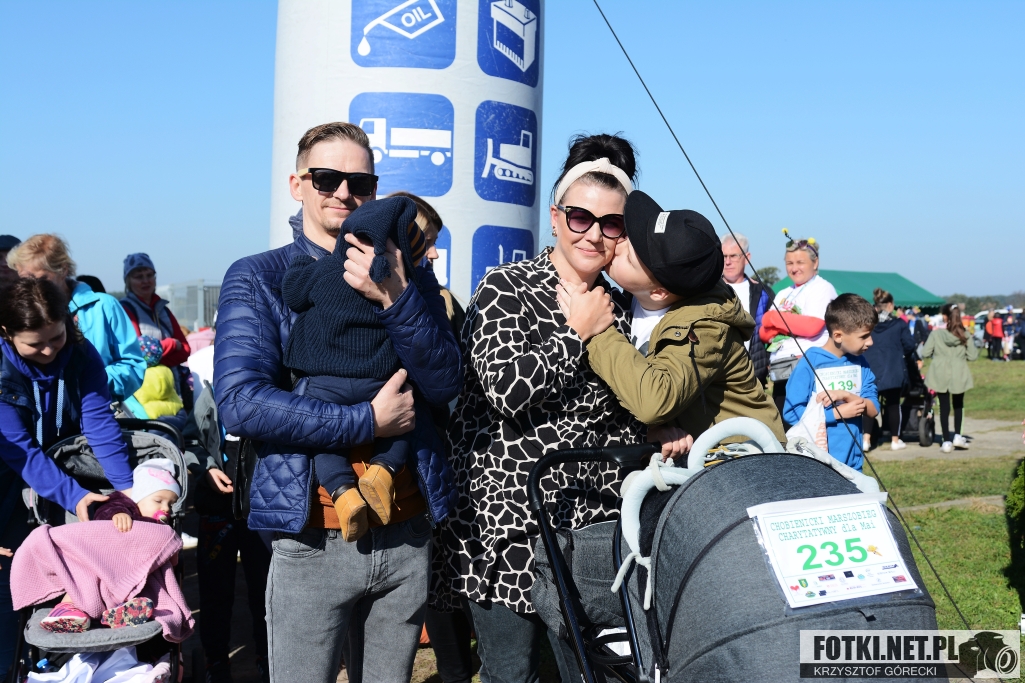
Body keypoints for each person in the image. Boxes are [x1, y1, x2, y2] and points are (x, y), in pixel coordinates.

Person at [215, 121, 461, 683]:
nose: (344, 193)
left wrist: (396, 297)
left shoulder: (408, 272)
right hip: (312, 535)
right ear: (297, 184)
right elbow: (241, 403)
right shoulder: (261, 277)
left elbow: (446, 383)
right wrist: (366, 420)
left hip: (405, 530)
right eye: (327, 178)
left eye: (361, 182)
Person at [438, 134, 688, 683]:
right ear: (556, 219)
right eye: (580, 217)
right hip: (509, 522)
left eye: (611, 223)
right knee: (513, 672)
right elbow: (505, 390)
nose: (593, 234)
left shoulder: (619, 305)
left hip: (591, 522)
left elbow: (611, 409)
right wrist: (575, 332)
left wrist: (653, 427)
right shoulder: (507, 287)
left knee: (591, 668)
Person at [570, 192, 786, 447]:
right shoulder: (637, 297)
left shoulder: (706, 326)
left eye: (629, 258)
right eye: (628, 235)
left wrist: (598, 331)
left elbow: (653, 402)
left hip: (743, 457)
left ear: (659, 292)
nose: (618, 245)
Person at [281, 195, 437, 540]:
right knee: (402, 424)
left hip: (326, 382)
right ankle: (383, 471)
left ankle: (343, 494)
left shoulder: (326, 269)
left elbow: (293, 293)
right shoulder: (396, 285)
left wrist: (300, 264)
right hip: (378, 380)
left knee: (324, 443)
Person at [0, 278, 136, 674]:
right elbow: (20, 450)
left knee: (66, 576)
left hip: (64, 466)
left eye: (55, 338)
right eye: (35, 344)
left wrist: (125, 490)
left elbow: (98, 423)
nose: (48, 351)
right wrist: (74, 496)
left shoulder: (80, 352)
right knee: (10, 588)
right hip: (8, 479)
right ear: (6, 333)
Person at [385, 191, 473, 683]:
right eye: (427, 241)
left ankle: (456, 668)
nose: (435, 253)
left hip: (437, 452)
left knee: (439, 566)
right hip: (390, 461)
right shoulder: (358, 294)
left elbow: (452, 378)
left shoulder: (441, 298)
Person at [39, 459, 180, 633]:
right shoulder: (123, 505)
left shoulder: (160, 529)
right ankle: (66, 608)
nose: (166, 508)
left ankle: (118, 612)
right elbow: (106, 509)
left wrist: (170, 545)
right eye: (158, 501)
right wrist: (117, 513)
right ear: (138, 496)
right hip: (101, 561)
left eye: (171, 504)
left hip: (130, 574)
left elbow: (171, 560)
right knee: (86, 578)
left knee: (142, 585)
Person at [7, 234, 145, 404]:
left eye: (41, 279)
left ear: (63, 270)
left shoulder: (104, 306)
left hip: (101, 406)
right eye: (26, 279)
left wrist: (91, 383)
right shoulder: (18, 313)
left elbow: (133, 366)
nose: (34, 285)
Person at [783, 294, 880, 471]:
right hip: (816, 464)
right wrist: (836, 413)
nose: (870, 342)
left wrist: (847, 396)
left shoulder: (861, 363)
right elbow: (792, 413)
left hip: (853, 464)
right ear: (838, 335)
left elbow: (873, 409)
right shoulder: (810, 361)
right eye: (864, 336)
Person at [759, 232, 838, 425]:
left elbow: (812, 327)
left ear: (815, 262)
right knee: (784, 428)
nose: (794, 268)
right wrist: (787, 323)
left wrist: (774, 318)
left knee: (807, 426)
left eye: (800, 262)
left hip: (809, 370)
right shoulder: (783, 293)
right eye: (789, 263)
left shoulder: (822, 288)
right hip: (781, 371)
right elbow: (763, 332)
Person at [120, 253, 194, 409]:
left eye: (149, 275)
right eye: (138, 277)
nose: (145, 281)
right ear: (128, 281)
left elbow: (185, 350)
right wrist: (171, 344)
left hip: (172, 390)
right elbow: (139, 354)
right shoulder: (125, 310)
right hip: (144, 395)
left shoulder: (163, 310)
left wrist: (156, 358)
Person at [861, 288, 917, 452]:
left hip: (871, 369)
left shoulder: (869, 325)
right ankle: (895, 440)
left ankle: (866, 440)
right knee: (893, 405)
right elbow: (909, 346)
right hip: (892, 370)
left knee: (868, 404)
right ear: (891, 305)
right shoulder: (899, 324)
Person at [922, 303, 978, 453]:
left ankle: (946, 440)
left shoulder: (936, 334)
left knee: (944, 406)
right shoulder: (964, 334)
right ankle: (958, 435)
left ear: (945, 316)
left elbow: (925, 352)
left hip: (940, 371)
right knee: (959, 405)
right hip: (959, 371)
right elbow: (973, 356)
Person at [720, 232, 774, 385]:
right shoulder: (709, 290)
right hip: (718, 377)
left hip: (754, 378)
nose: (728, 262)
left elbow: (773, 333)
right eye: (724, 256)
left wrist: (767, 362)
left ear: (747, 257)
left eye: (733, 256)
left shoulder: (763, 293)